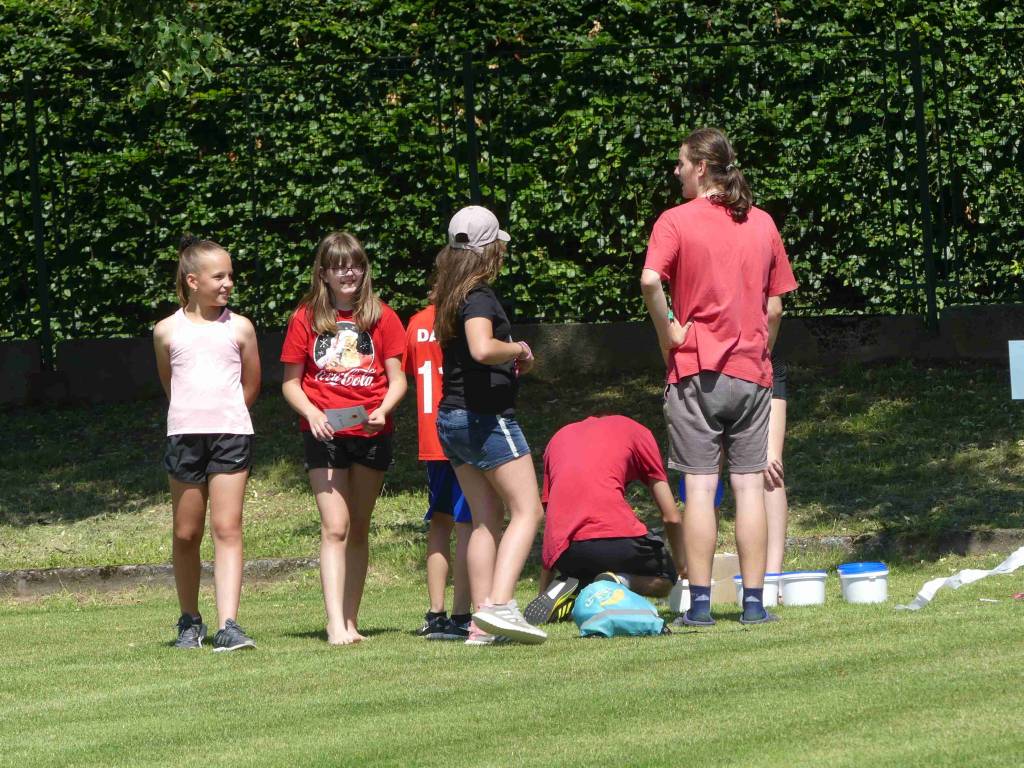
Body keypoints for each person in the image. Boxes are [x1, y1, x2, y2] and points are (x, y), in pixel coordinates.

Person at [641, 127, 797, 626]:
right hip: (752, 374)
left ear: (702, 167)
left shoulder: (674, 221)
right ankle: (754, 604)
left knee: (701, 489)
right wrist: (760, 352)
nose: (677, 171)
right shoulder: (763, 223)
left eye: (682, 163)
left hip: (696, 373)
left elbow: (650, 280)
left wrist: (668, 331)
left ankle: (701, 606)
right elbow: (775, 309)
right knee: (750, 489)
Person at [280, 232, 407, 645]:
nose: (347, 273)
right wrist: (312, 413)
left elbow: (398, 379)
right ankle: (334, 623)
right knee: (335, 526)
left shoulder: (383, 317)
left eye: (354, 265)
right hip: (325, 434)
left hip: (372, 431)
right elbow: (290, 384)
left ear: (364, 269)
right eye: (338, 266)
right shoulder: (305, 318)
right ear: (324, 274)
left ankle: (351, 621)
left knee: (359, 527)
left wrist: (383, 410)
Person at [433, 205, 547, 645]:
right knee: (528, 510)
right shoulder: (478, 296)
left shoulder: (450, 295)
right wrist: (517, 348)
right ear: (489, 249)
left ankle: (481, 625)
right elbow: (481, 349)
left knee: (485, 518)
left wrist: (512, 361)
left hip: (453, 418)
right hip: (485, 419)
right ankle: (500, 606)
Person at [153, 235, 260, 651]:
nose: (228, 283)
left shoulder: (240, 327)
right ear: (193, 281)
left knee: (227, 527)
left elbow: (251, 384)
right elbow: (171, 383)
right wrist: (194, 416)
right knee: (186, 533)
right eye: (219, 276)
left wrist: (225, 414)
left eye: (230, 275)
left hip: (231, 435)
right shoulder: (166, 331)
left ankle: (228, 624)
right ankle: (190, 621)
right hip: (184, 437)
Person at [525, 415, 686, 626]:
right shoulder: (638, 433)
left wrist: (543, 593)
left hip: (567, 553)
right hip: (615, 538)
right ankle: (618, 581)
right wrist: (682, 566)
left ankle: (578, 585)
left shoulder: (558, 438)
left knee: (588, 568)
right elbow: (671, 517)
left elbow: (553, 523)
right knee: (666, 576)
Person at [404, 302, 473, 641]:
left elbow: (407, 369)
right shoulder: (469, 315)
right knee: (467, 524)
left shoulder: (418, 322)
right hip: (465, 430)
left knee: (440, 521)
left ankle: (436, 613)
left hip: (432, 434)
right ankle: (461, 615)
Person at [764, 298, 789, 576]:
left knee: (704, 478)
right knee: (771, 466)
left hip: (707, 362)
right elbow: (775, 310)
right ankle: (773, 578)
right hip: (761, 356)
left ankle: (699, 582)